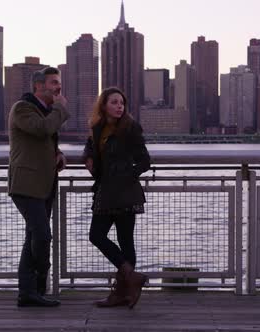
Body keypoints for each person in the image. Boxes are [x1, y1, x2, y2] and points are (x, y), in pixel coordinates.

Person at [83, 87, 151, 309]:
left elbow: (144, 161)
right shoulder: (97, 128)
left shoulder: (130, 128)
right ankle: (131, 279)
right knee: (96, 235)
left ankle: (121, 292)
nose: (119, 106)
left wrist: (125, 175)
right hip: (105, 191)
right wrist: (89, 158)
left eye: (121, 102)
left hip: (124, 192)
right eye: (114, 102)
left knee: (125, 241)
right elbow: (91, 149)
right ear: (104, 105)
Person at [8, 67, 69, 307]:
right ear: (38, 87)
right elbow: (42, 128)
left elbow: (42, 139)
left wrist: (58, 153)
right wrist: (61, 108)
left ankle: (28, 292)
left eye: (58, 82)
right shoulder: (22, 108)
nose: (58, 87)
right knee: (42, 235)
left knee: (34, 235)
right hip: (26, 184)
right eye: (53, 83)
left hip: (44, 184)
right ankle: (39, 281)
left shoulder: (43, 111)